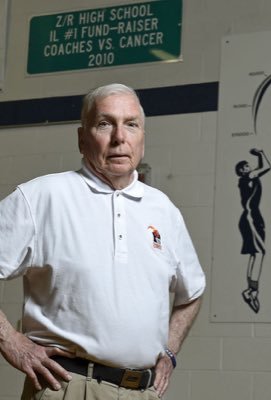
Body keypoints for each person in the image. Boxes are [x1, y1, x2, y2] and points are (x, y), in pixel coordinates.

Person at [0, 83, 206, 400]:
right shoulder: (41, 197)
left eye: (131, 124)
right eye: (105, 123)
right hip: (68, 386)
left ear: (142, 139)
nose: (119, 137)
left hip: (143, 392)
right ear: (82, 139)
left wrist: (170, 350)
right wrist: (12, 342)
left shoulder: (163, 209)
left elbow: (192, 292)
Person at [235, 148, 270, 313]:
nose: (251, 167)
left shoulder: (247, 178)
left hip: (252, 218)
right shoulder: (247, 178)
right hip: (250, 219)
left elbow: (261, 169)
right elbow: (266, 167)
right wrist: (261, 153)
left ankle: (250, 289)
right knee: (260, 253)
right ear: (243, 170)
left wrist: (259, 156)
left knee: (255, 253)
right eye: (248, 166)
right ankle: (252, 290)